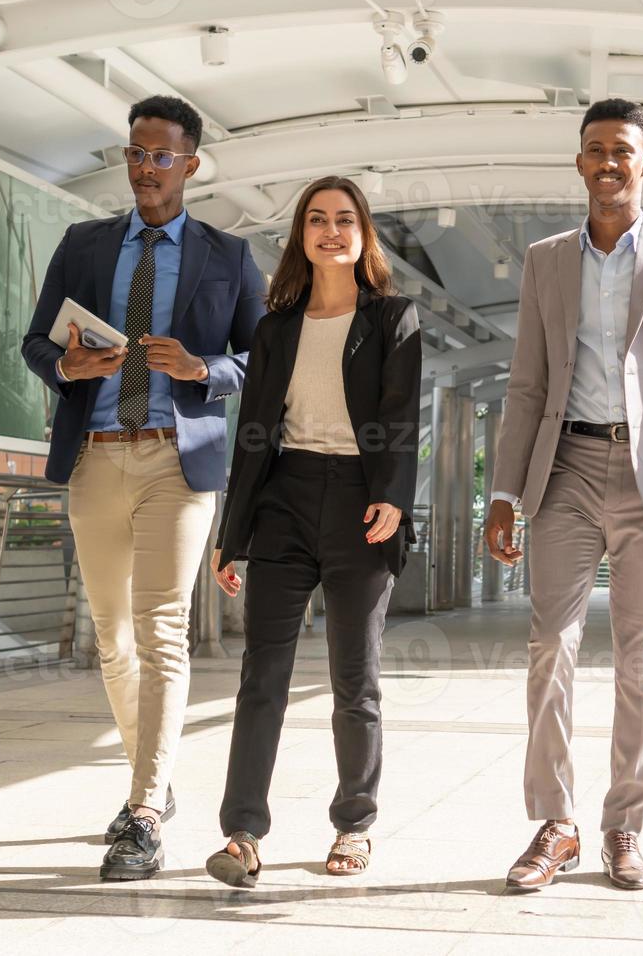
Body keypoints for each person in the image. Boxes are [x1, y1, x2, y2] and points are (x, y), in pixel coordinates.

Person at [484, 98, 643, 891]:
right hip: (563, 472)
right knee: (548, 647)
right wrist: (502, 492)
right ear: (580, 163)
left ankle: (624, 827)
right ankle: (555, 825)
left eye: (622, 151)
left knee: (641, 663)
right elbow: (526, 385)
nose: (608, 162)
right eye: (595, 149)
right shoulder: (546, 260)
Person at [21, 95, 265, 881]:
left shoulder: (227, 256)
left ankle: (143, 813)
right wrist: (68, 366)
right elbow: (34, 342)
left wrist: (202, 369)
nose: (144, 168)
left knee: (162, 629)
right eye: (134, 153)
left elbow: (260, 363)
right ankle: (154, 781)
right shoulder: (84, 244)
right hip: (94, 456)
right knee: (111, 638)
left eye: (160, 156)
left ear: (190, 165)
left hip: (176, 460)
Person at [203, 176, 422, 888]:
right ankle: (242, 833)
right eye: (318, 220)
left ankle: (354, 825)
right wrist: (233, 536)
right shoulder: (275, 327)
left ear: (363, 234)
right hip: (285, 501)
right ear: (301, 234)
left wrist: (392, 496)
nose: (332, 231)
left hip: (361, 504)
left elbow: (400, 416)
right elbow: (251, 438)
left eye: (345, 220)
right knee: (260, 675)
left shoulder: (393, 318)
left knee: (353, 678)